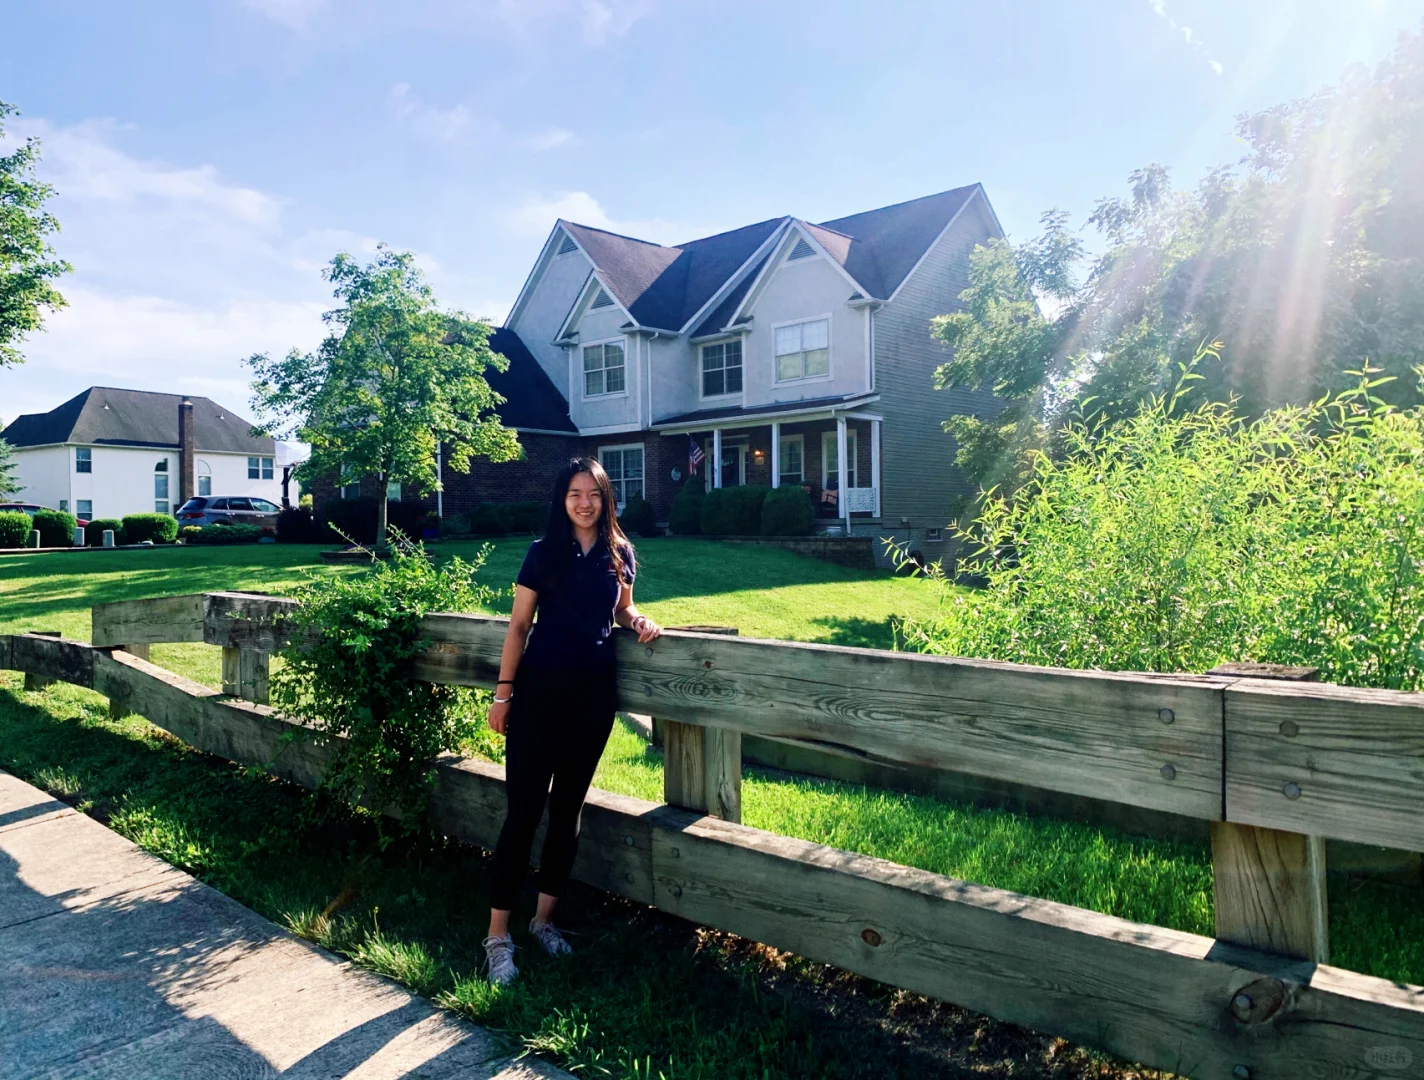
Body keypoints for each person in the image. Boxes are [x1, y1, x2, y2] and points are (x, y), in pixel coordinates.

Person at [481, 456, 662, 987]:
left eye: (595, 494)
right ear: (562, 500)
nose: (585, 503)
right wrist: (503, 694)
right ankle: (497, 937)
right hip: (538, 697)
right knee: (523, 812)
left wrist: (638, 619)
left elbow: (621, 610)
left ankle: (543, 922)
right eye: (575, 494)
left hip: (593, 699)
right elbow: (518, 627)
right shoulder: (542, 554)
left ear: (607, 500)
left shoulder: (620, 553)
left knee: (567, 813)